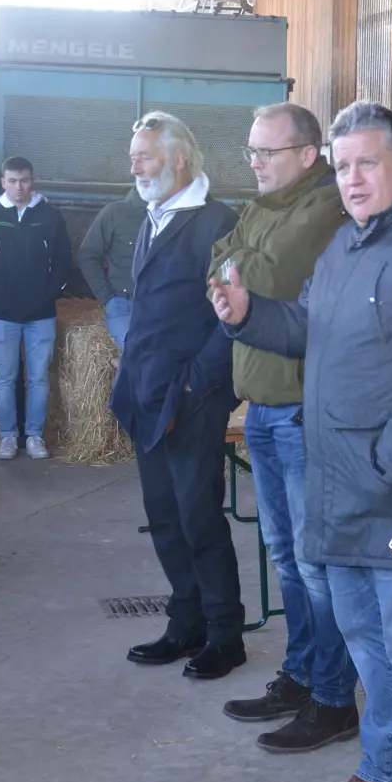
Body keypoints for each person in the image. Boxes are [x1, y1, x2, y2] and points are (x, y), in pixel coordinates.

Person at [212, 102, 392, 782]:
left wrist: (383, 471)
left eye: (367, 163)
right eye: (343, 167)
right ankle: (381, 768)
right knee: (370, 653)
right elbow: (311, 327)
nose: (353, 179)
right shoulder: (348, 245)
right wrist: (252, 315)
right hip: (342, 496)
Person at [213, 103, 359, 753]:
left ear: (307, 155)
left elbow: (265, 275)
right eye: (251, 151)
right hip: (263, 405)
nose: (254, 163)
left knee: (315, 562)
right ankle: (301, 674)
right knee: (285, 557)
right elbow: (218, 268)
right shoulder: (262, 206)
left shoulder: (323, 207)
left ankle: (334, 699)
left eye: (266, 153)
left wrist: (241, 261)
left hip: (300, 408)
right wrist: (240, 261)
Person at [111, 111, 245, 679]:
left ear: (179, 160)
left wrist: (197, 380)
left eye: (144, 156)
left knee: (199, 517)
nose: (135, 167)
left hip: (190, 396)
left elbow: (230, 316)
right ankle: (184, 621)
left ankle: (224, 633)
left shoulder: (216, 222)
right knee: (163, 516)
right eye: (134, 157)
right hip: (148, 392)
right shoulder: (154, 215)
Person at [0, 156, 70, 460]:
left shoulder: (50, 217)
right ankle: (8, 436)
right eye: (12, 181)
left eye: (24, 180)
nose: (18, 187)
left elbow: (64, 263)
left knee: (38, 377)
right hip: (1, 313)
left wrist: (48, 294)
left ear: (33, 180)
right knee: (4, 377)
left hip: (40, 314)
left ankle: (35, 435)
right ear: (2, 182)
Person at [77, 188, 147, 347]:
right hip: (124, 302)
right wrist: (108, 297)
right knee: (135, 352)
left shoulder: (175, 216)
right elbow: (87, 255)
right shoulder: (114, 213)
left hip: (163, 304)